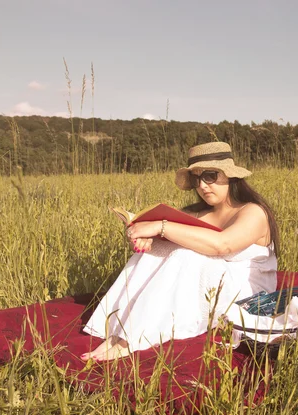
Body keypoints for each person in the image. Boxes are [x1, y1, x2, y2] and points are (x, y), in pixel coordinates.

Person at [81, 142, 279, 362]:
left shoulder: (253, 211)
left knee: (185, 255)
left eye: (210, 176)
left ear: (230, 176)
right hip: (210, 283)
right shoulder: (198, 214)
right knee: (161, 249)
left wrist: (160, 226)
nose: (203, 186)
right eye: (197, 179)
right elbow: (163, 246)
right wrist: (145, 240)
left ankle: (132, 336)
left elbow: (223, 245)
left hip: (246, 292)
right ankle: (120, 327)